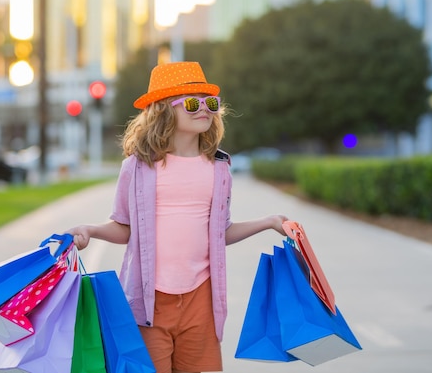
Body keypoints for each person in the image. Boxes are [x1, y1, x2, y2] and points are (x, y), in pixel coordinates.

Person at [67, 61, 287, 373]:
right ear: (163, 111)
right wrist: (90, 229)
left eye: (211, 103)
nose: (205, 110)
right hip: (148, 300)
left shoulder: (219, 168)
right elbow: (124, 228)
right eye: (192, 103)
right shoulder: (137, 167)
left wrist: (268, 222)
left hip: (201, 298)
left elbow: (219, 232)